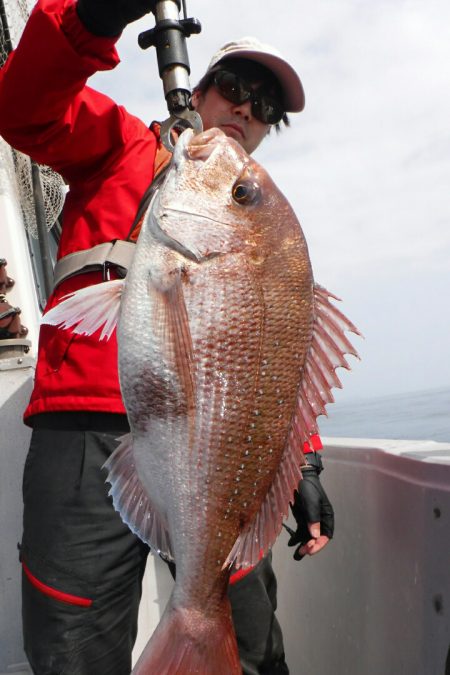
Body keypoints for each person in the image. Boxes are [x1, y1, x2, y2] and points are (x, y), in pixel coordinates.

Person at [0, 1, 334, 673]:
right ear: (201, 88)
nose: (246, 110)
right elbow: (24, 108)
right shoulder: (120, 143)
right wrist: (89, 18)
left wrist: (304, 462)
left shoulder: (261, 224)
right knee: (73, 650)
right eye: (235, 88)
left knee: (253, 645)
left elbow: (269, 362)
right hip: (86, 438)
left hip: (217, 455)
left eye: (266, 108)